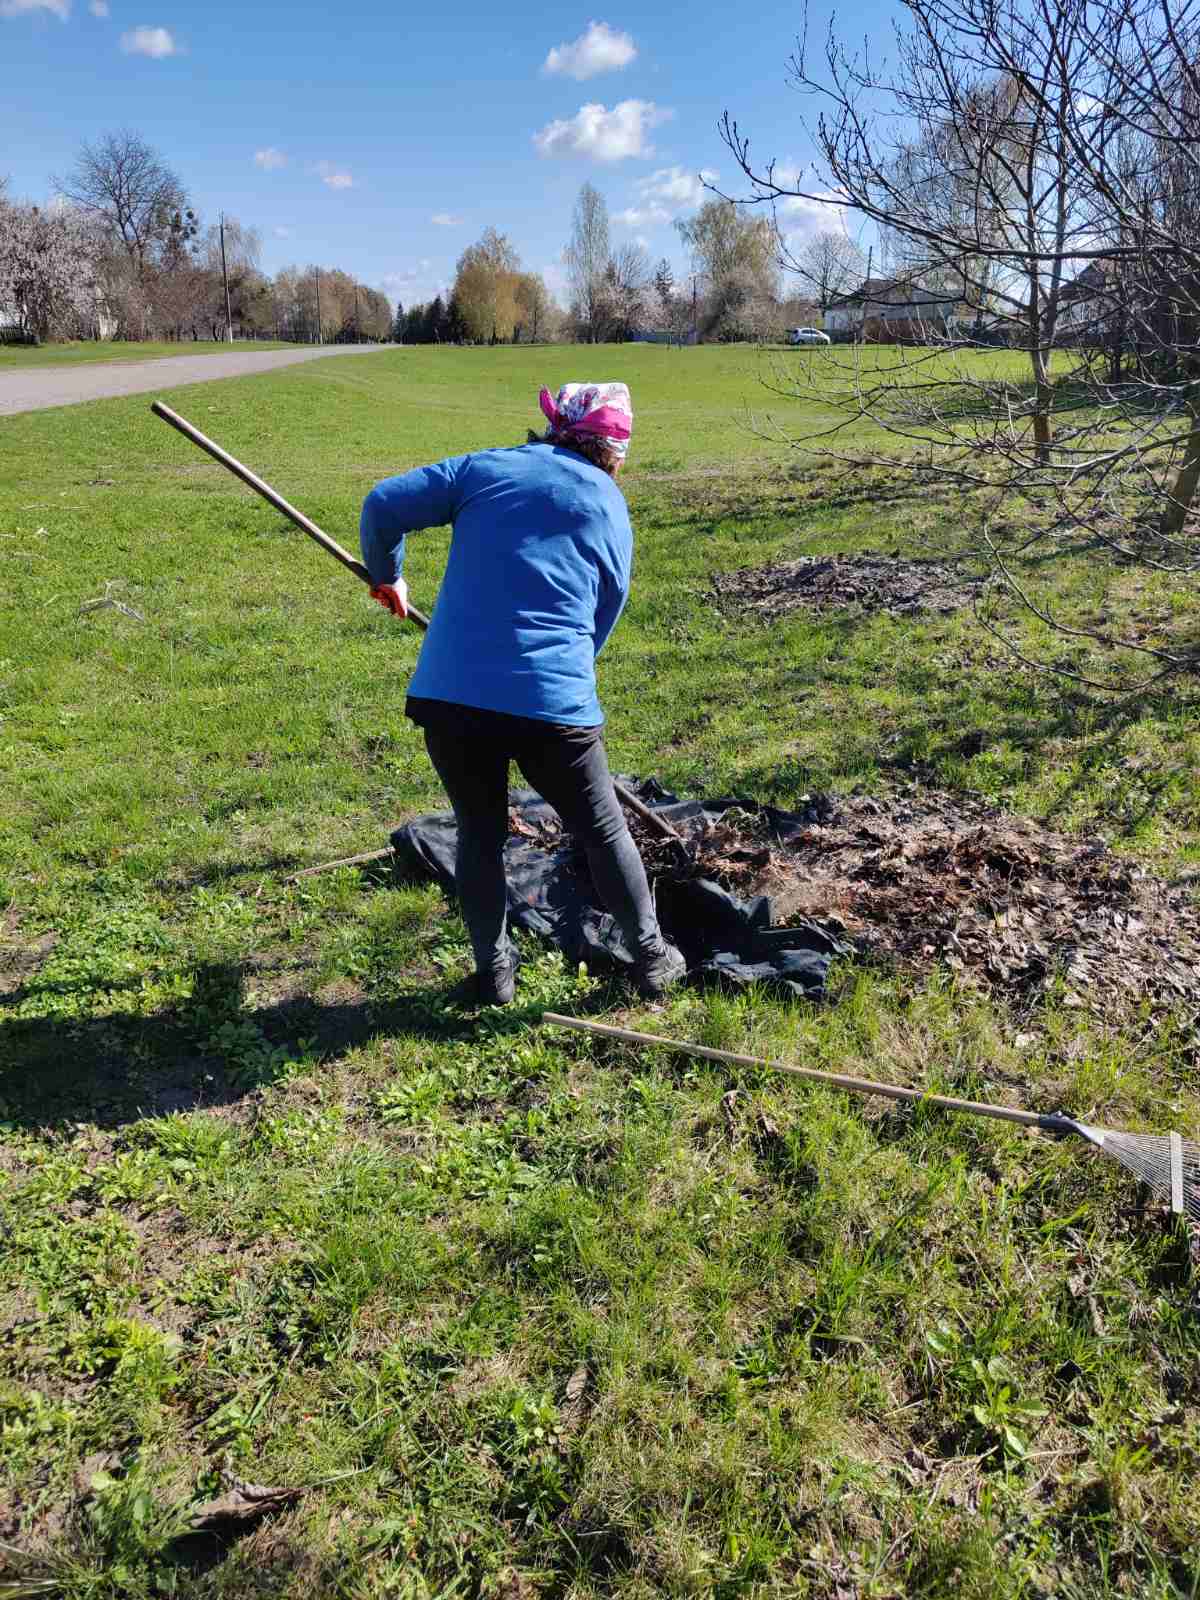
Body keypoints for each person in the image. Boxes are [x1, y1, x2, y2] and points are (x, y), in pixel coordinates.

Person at [359, 380, 687, 1006]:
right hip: (554, 707)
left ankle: (493, 972)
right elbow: (606, 608)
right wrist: (562, 673)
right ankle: (651, 959)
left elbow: (382, 505)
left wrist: (387, 576)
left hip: (452, 700)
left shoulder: (485, 468)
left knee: (478, 833)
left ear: (557, 425)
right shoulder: (609, 504)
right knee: (602, 831)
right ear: (614, 453)